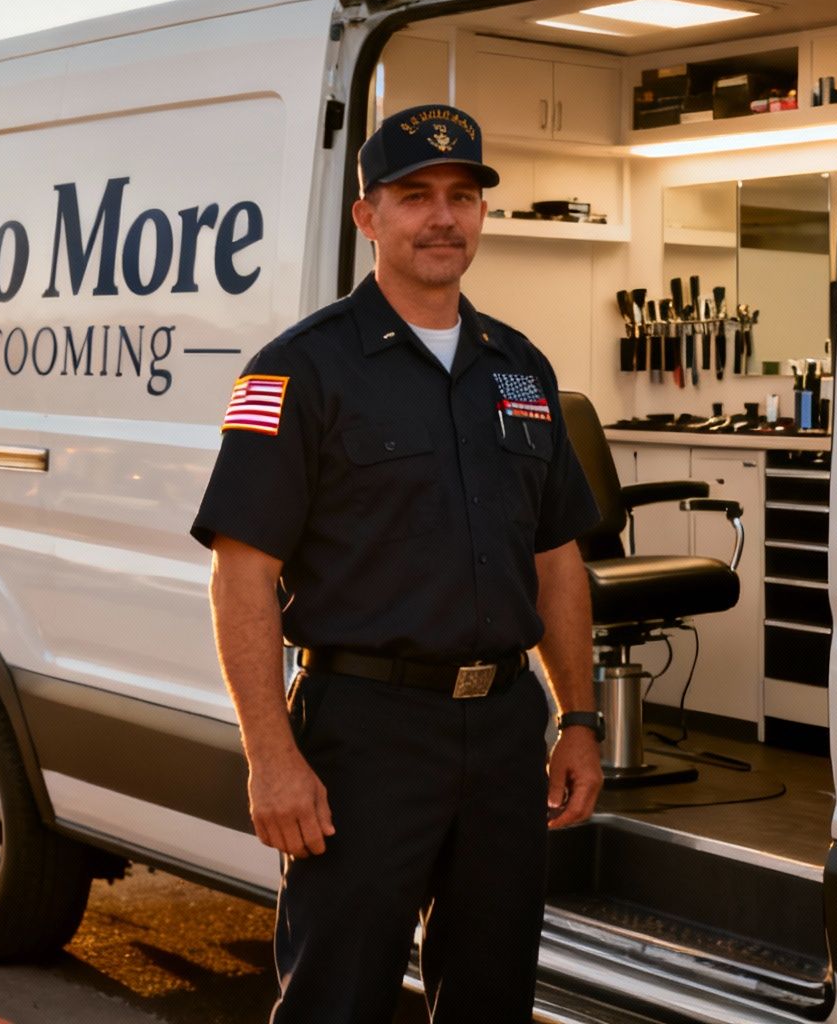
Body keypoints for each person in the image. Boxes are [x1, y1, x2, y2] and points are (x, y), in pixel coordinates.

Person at [190, 102, 605, 1022]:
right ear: (367, 216)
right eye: (414, 195)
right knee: (337, 999)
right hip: (364, 736)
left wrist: (578, 717)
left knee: (493, 996)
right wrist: (271, 758)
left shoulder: (520, 371)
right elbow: (242, 574)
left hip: (503, 732)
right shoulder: (297, 371)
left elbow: (557, 556)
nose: (443, 217)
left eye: (463, 196)